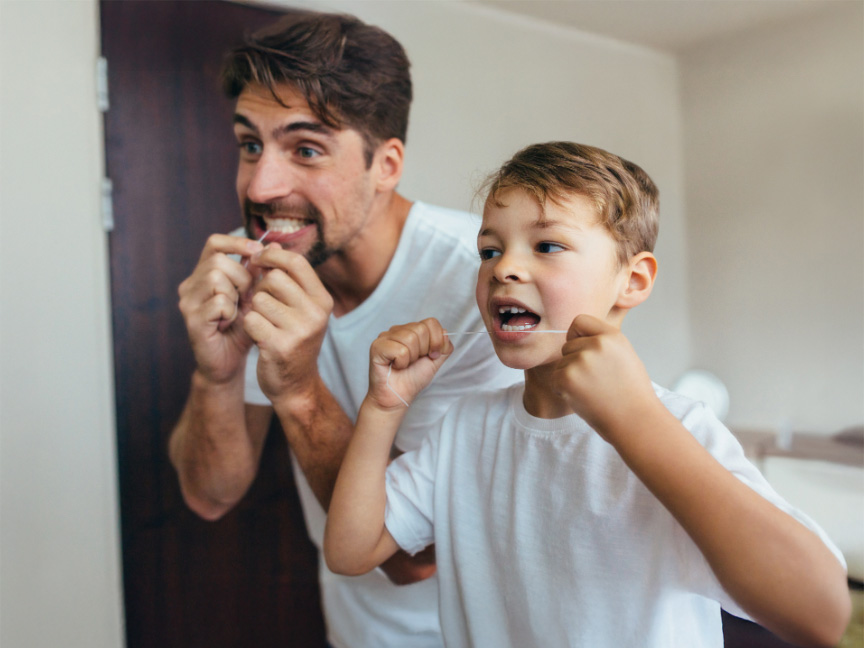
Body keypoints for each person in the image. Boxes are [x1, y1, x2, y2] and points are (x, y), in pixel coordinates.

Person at [323, 142, 852, 647]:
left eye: (547, 245)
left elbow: (822, 614)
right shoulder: (465, 429)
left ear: (634, 280)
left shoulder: (676, 426)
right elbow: (350, 551)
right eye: (489, 249)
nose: (502, 267)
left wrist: (635, 418)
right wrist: (383, 408)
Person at [168, 11, 519, 648]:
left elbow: (416, 558)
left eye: (305, 149)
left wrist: (299, 390)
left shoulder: (485, 284)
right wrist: (215, 372)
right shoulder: (265, 275)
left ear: (385, 165)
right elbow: (210, 495)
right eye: (251, 145)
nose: (261, 185)